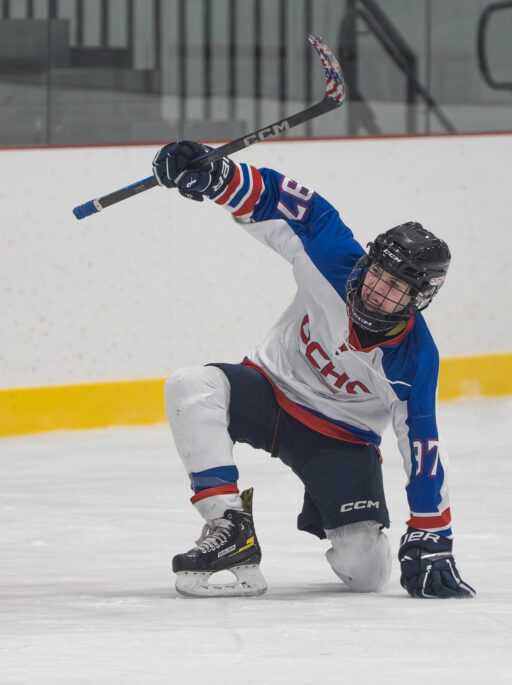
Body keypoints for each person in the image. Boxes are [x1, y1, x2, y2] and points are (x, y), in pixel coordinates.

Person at [152, 140, 476, 599]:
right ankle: (229, 528)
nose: (377, 292)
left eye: (397, 289)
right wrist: (220, 175)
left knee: (364, 574)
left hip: (340, 439)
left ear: (418, 299)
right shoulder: (333, 259)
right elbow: (284, 199)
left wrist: (431, 531)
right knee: (192, 384)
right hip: (268, 390)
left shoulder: (414, 359)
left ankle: (337, 509)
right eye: (379, 275)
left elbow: (422, 449)